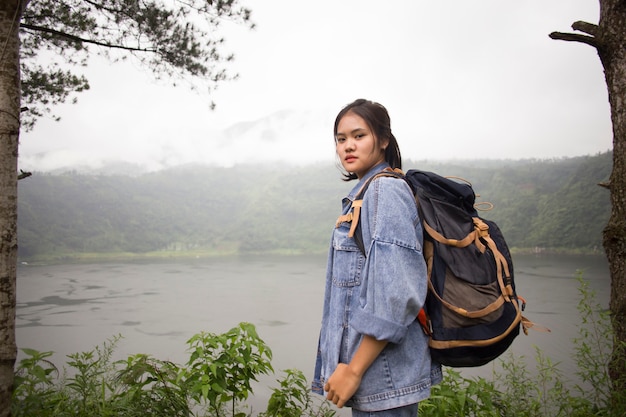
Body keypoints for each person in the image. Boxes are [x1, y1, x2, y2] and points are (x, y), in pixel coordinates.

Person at [312, 99, 441, 416]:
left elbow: (393, 294)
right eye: (341, 139)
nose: (348, 146)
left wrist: (354, 370)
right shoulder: (365, 195)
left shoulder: (385, 192)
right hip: (379, 379)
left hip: (383, 376)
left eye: (359, 135)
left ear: (383, 140)